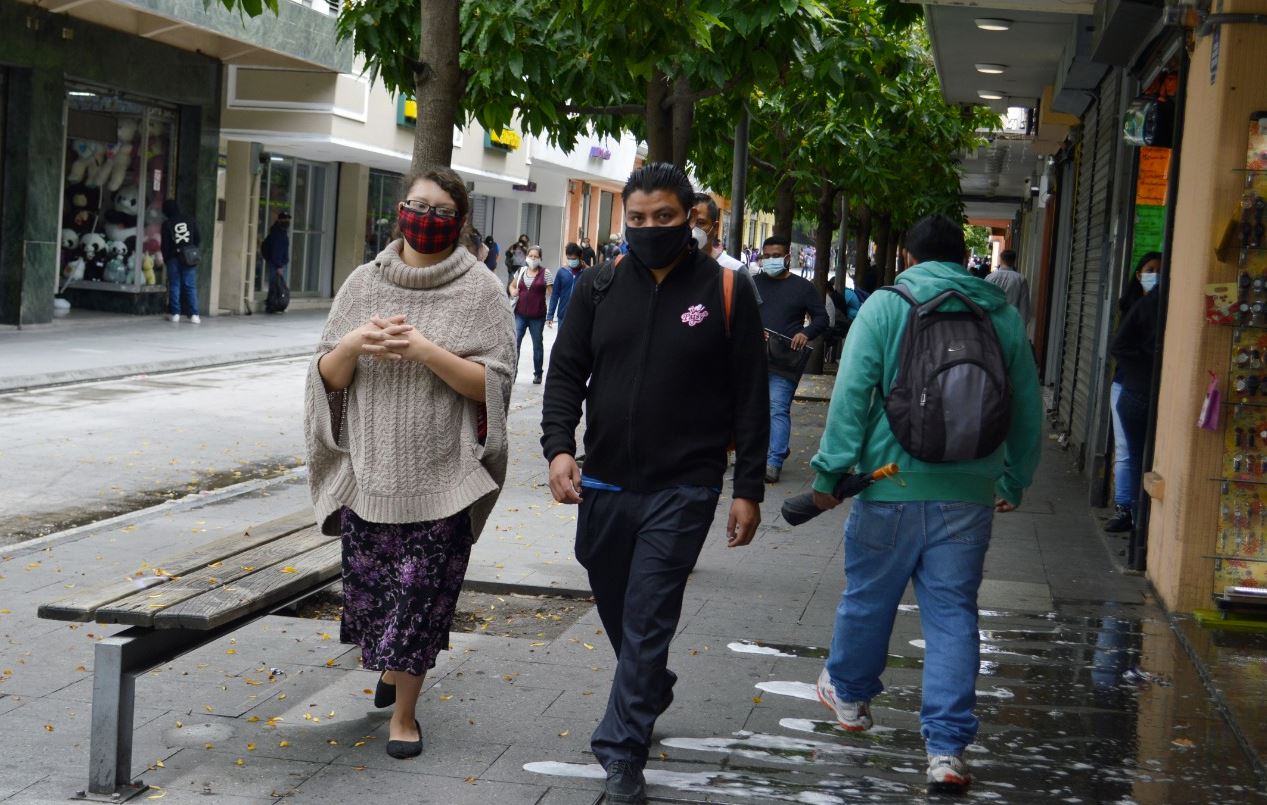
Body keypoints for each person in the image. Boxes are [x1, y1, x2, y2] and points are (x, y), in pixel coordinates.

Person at [541, 162, 768, 805]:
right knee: (617, 603)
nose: (648, 229)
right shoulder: (598, 286)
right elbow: (565, 376)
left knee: (648, 613)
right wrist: (559, 449)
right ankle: (649, 685)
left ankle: (621, 754)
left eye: (663, 217)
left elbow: (752, 395)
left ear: (690, 216)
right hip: (606, 484)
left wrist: (747, 485)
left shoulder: (726, 290)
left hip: (686, 485)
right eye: (636, 219)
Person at [809, 214, 1042, 795]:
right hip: (969, 494)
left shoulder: (886, 307)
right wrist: (1013, 480)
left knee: (868, 597)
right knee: (953, 615)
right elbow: (1028, 407)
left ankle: (852, 697)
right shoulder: (1001, 314)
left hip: (888, 485)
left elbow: (852, 394)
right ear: (964, 261)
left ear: (908, 258)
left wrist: (829, 473)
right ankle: (945, 751)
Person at [303, 166, 516, 761]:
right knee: (373, 601)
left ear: (460, 222)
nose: (424, 218)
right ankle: (392, 668)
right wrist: (352, 345)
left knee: (420, 601)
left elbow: (494, 386)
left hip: (442, 478)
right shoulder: (362, 284)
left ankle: (404, 715)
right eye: (415, 204)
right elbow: (325, 378)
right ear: (399, 210)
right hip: (370, 476)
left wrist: (425, 350)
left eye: (439, 210)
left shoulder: (482, 291)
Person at [754, 235, 829, 483]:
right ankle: (769, 450)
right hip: (753, 357)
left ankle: (773, 461)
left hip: (785, 361)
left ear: (787, 258)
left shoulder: (802, 288)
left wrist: (805, 333)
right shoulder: (753, 284)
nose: (771, 260)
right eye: (767, 256)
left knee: (777, 406)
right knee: (754, 409)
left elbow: (821, 319)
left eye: (776, 256)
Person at [1106, 252, 1162, 533]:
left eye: (1160, 270)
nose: (1155, 275)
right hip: (1126, 385)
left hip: (1145, 388)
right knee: (1127, 450)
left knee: (1141, 452)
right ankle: (1124, 507)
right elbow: (1120, 346)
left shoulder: (1162, 305)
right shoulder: (1133, 306)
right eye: (1150, 269)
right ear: (1139, 274)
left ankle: (1135, 510)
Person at [690, 193, 761, 303]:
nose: (692, 228)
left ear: (716, 228)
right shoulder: (668, 269)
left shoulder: (736, 271)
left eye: (700, 222)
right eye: (687, 221)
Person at [509, 245, 553, 384]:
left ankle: (538, 374)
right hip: (520, 314)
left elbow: (551, 293)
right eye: (531, 256)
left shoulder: (546, 273)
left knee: (537, 345)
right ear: (527, 257)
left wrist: (549, 315)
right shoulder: (521, 271)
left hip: (537, 316)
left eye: (536, 256)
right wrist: (512, 291)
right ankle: (513, 373)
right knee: (515, 344)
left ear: (540, 258)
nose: (533, 258)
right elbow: (512, 285)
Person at [161, 199, 201, 323]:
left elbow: (165, 245)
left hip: (173, 257)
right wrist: (191, 248)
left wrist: (166, 258)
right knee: (190, 286)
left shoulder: (167, 224)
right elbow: (198, 238)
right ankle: (194, 315)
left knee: (174, 285)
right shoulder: (190, 219)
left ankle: (175, 314)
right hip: (189, 256)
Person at [984, 249, 1031, 328]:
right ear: (1014, 261)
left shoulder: (990, 277)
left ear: (1001, 260)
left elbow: (984, 301)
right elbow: (1024, 307)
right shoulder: (1021, 279)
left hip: (993, 324)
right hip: (1012, 325)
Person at [547, 242, 585, 330]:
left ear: (580, 257)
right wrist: (550, 315)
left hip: (580, 317)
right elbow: (555, 295)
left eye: (574, 259)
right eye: (569, 258)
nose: (571, 261)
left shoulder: (587, 273)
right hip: (563, 316)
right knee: (562, 343)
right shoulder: (561, 272)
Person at [261, 211, 291, 314]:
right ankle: (273, 304)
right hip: (278, 264)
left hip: (278, 263)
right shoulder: (278, 233)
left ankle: (275, 304)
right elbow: (277, 251)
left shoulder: (280, 232)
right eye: (285, 219)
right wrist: (279, 266)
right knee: (276, 285)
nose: (287, 221)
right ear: (279, 220)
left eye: (288, 219)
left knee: (276, 284)